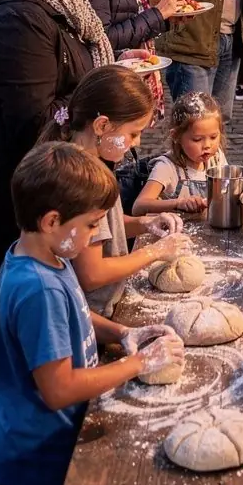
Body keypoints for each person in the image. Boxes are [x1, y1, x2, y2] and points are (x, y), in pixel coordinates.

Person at [0, 142, 183, 485]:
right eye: (92, 225)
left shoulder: (39, 255)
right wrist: (138, 364)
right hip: (36, 453)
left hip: (23, 446)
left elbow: (77, 312)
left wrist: (122, 333)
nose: (97, 233)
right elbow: (59, 388)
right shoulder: (38, 288)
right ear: (53, 220)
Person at [0, 0, 112, 301]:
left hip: (37, 193)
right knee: (31, 326)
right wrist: (98, 103)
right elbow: (35, 125)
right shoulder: (17, 17)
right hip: (18, 203)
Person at [38, 67, 187, 316]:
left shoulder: (90, 165)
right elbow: (92, 273)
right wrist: (155, 252)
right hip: (88, 315)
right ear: (102, 125)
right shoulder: (83, 182)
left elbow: (105, 232)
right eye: (133, 133)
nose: (137, 142)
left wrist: (144, 223)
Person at [133, 91, 228, 217]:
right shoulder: (166, 167)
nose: (207, 145)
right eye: (197, 139)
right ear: (176, 136)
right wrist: (178, 203)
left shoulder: (216, 158)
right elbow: (138, 207)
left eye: (213, 137)